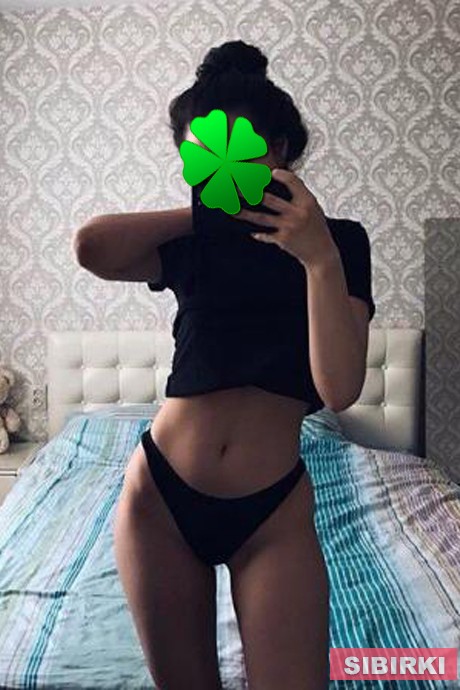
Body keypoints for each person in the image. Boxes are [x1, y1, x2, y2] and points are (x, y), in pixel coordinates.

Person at [74, 40, 375, 690]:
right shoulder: (194, 243)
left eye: (239, 152)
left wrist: (318, 256)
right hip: (160, 499)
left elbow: (340, 388)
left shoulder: (342, 243)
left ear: (281, 150)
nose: (221, 170)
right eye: (203, 157)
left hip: (272, 513)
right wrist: (205, 215)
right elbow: (91, 247)